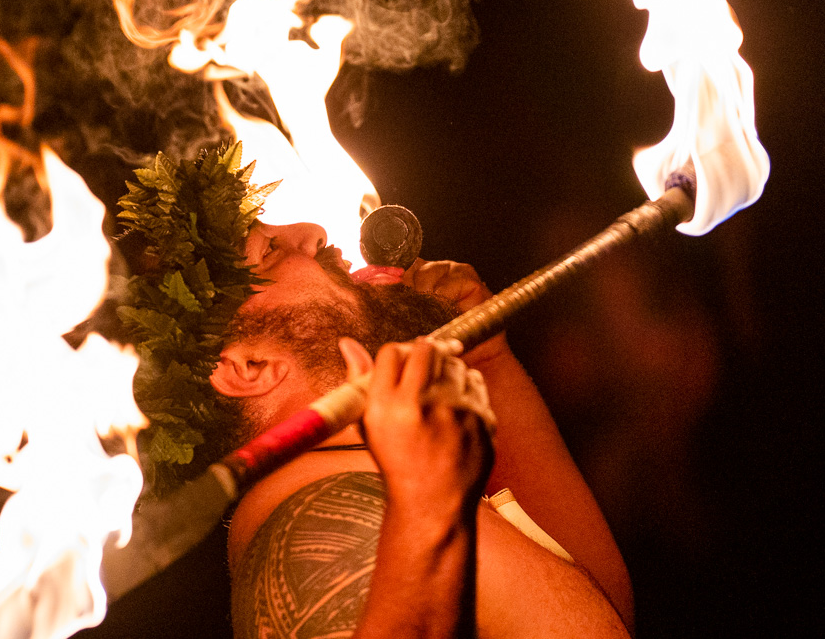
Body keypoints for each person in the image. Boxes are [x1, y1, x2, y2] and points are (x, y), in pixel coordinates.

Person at [212, 221, 634, 638]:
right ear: (251, 368)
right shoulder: (307, 544)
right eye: (269, 250)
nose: (313, 232)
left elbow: (593, 615)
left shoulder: (367, 478)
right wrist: (427, 515)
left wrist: (489, 361)